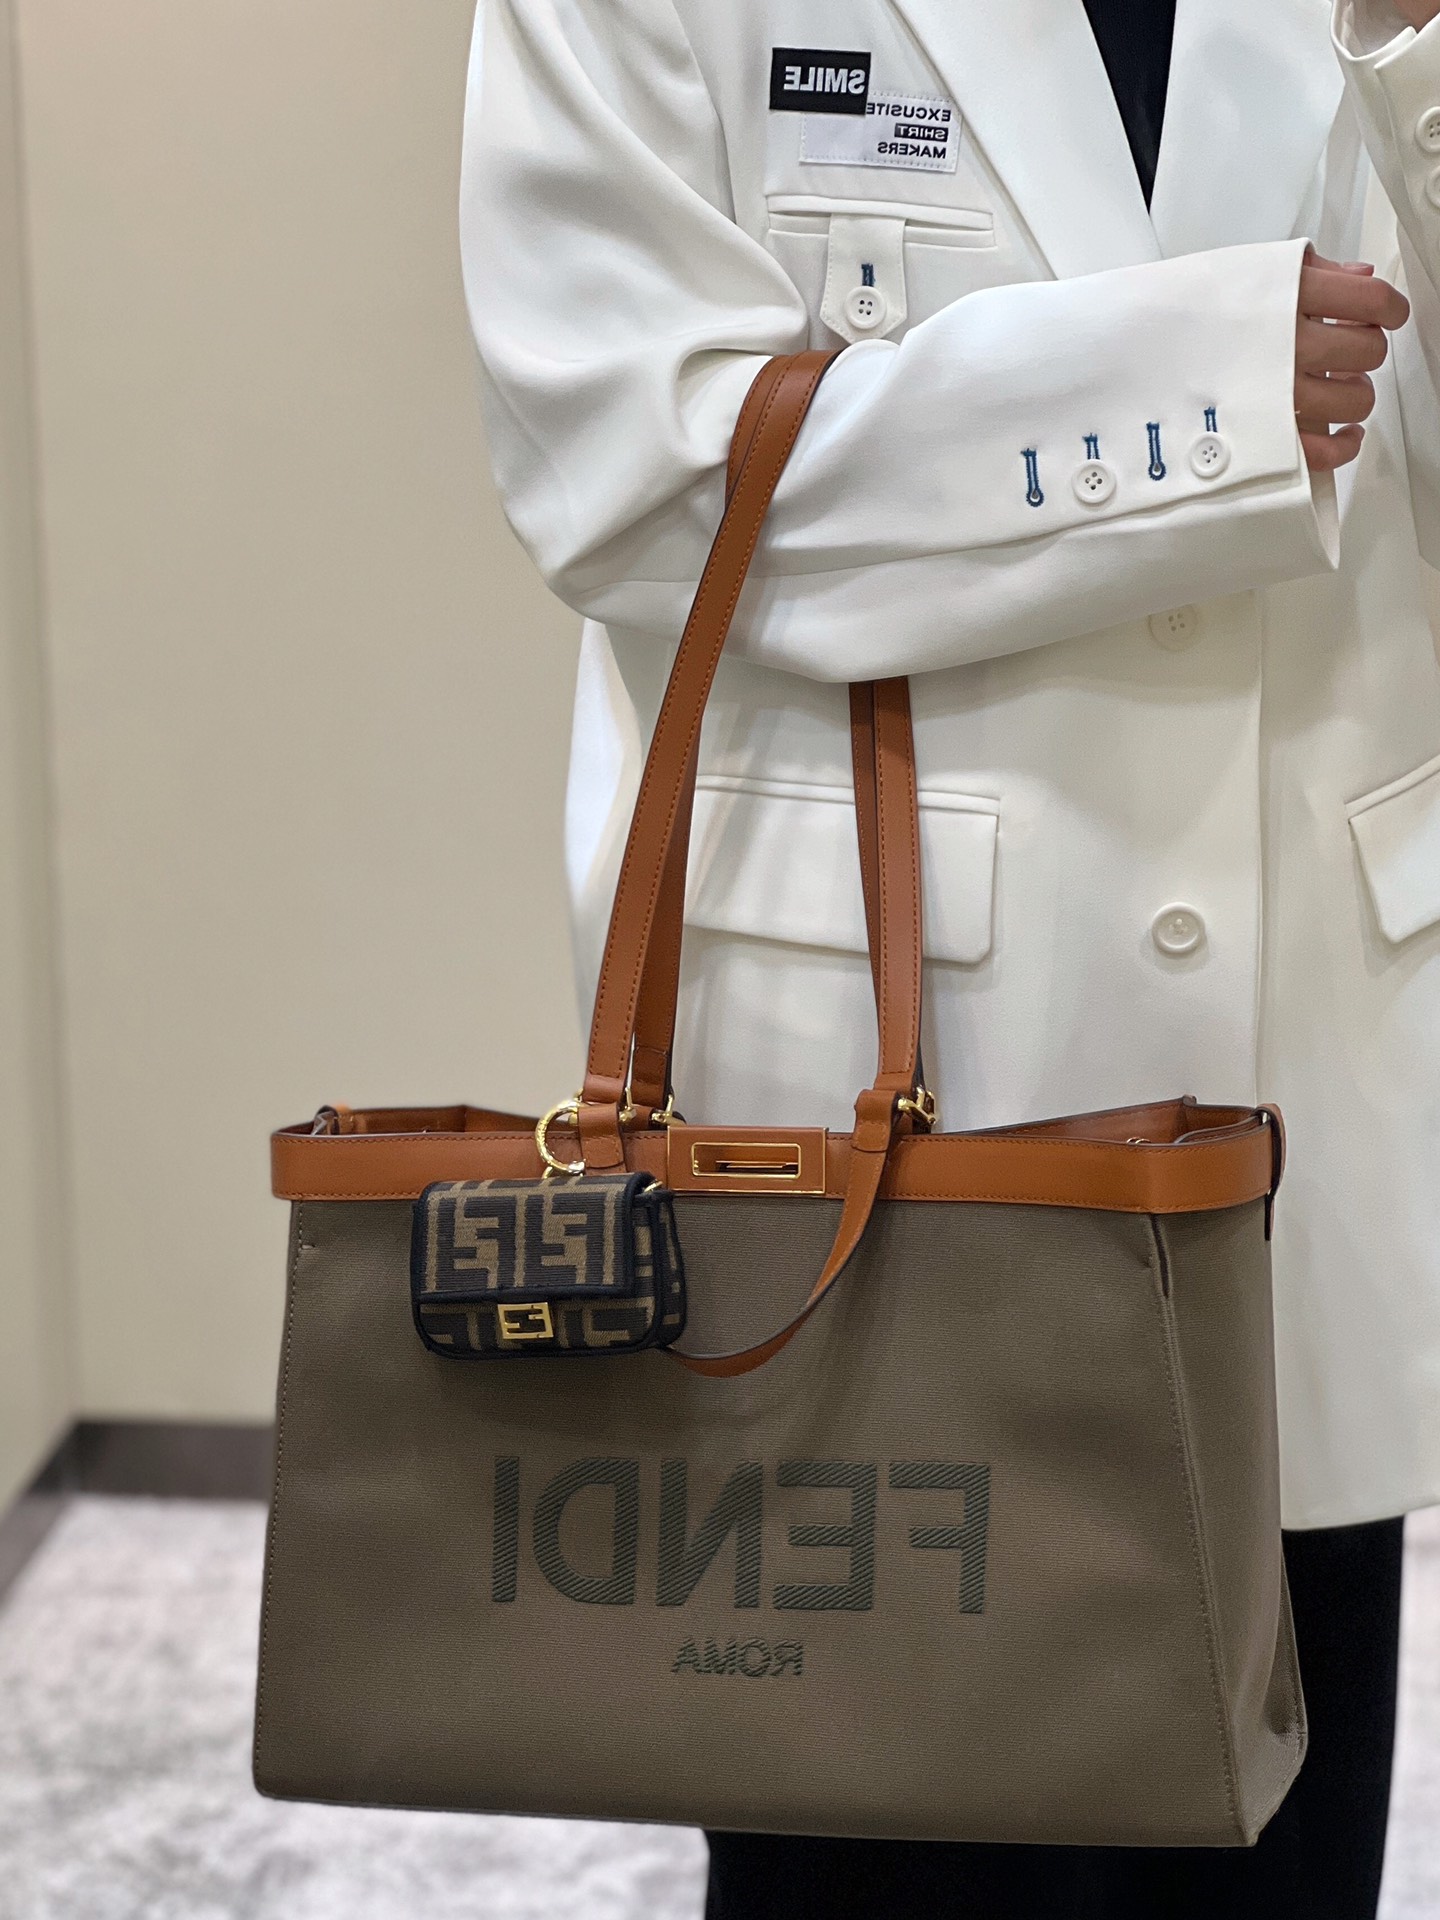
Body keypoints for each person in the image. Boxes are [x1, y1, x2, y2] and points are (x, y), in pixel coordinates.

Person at [459, 1, 1440, 1913]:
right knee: (868, 1834)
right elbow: (627, 468)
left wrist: (1418, 70)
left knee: (1275, 1839)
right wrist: (1190, 394)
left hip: (1299, 1074)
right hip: (876, 1111)